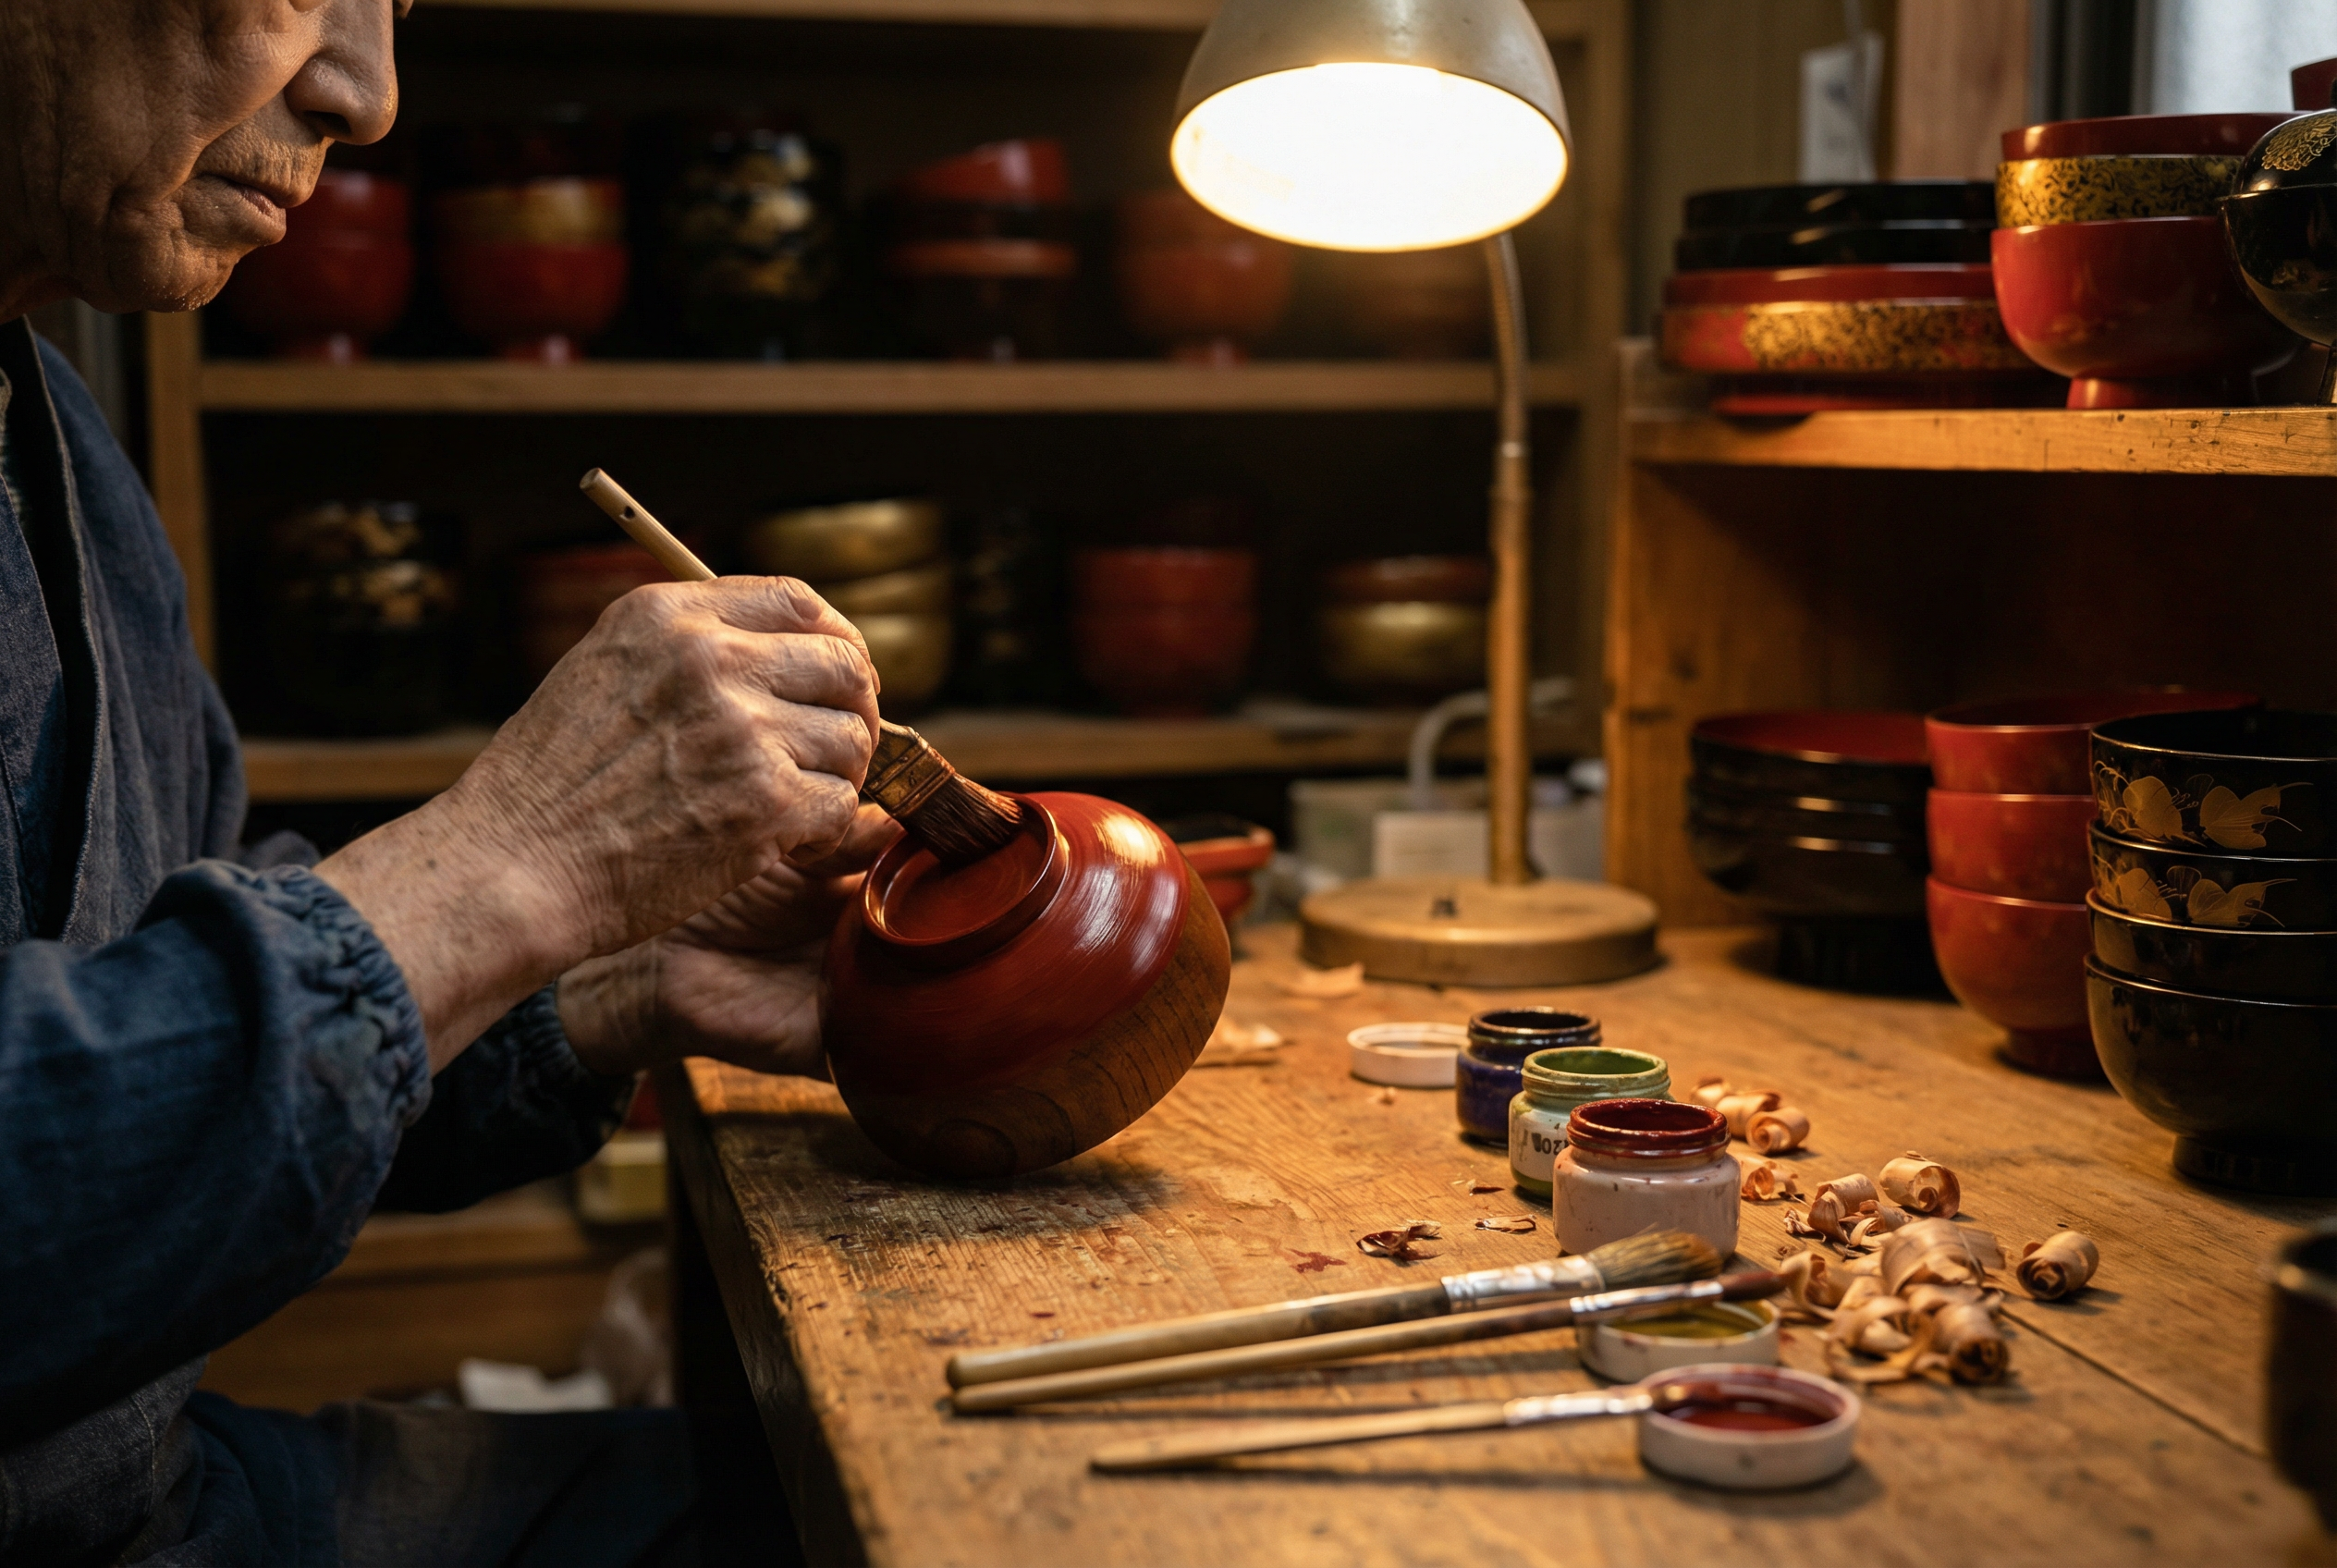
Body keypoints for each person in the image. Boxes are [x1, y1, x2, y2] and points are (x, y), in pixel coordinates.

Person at [0, 0, 893, 1561]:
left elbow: (152, 972)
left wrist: (610, 975)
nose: (369, 93)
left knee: (844, 1510)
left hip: (163, 1501)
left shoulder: (52, 422)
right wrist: (519, 862)